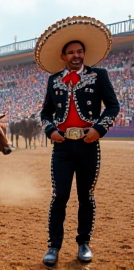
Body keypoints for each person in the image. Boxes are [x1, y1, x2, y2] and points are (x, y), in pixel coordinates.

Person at [34, 16, 120, 266]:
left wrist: (99, 129)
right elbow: (45, 113)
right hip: (61, 147)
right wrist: (50, 130)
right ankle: (53, 246)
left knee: (86, 196)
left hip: (88, 145)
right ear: (63, 56)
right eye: (71, 52)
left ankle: (83, 242)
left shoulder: (100, 75)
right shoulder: (53, 79)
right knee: (59, 196)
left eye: (80, 51)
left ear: (84, 54)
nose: (76, 55)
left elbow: (113, 107)